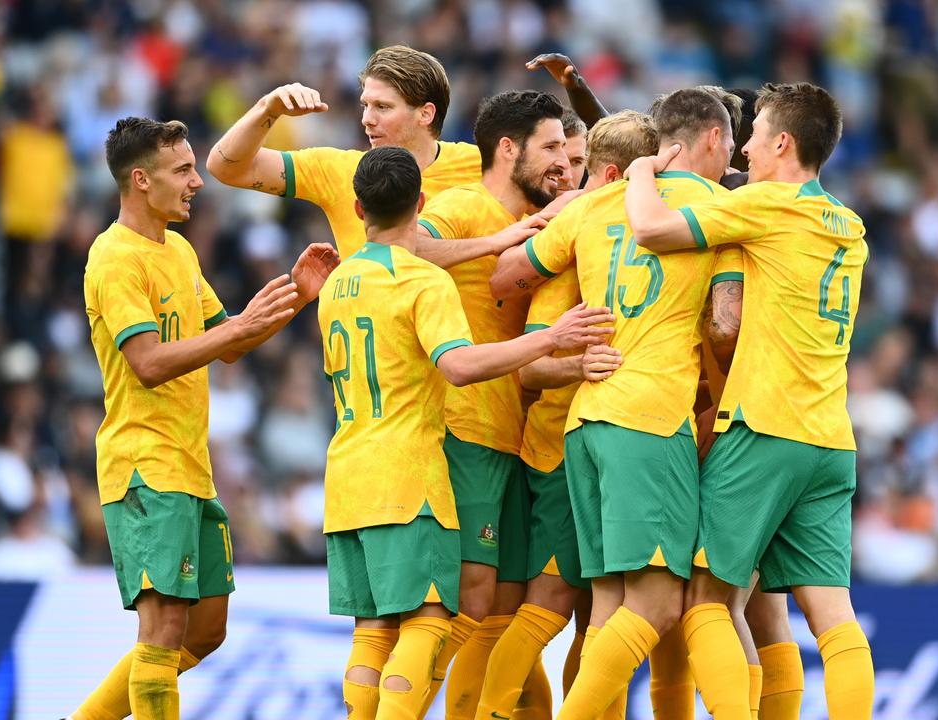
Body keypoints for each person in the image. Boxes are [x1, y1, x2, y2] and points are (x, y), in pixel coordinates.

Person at [320, 145, 613, 719]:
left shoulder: (337, 282)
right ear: (421, 202)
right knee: (431, 619)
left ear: (357, 209)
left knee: (374, 629)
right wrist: (548, 339)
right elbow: (457, 365)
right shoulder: (424, 281)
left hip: (347, 473)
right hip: (408, 474)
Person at [489, 88, 747, 720]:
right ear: (713, 139)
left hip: (587, 421)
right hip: (653, 421)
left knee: (607, 607)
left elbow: (503, 276)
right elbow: (724, 325)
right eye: (731, 143)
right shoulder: (720, 209)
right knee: (662, 605)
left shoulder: (592, 206)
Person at [69, 117, 338, 720]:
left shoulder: (181, 251)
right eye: (183, 171)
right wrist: (238, 328)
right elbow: (146, 363)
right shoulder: (113, 258)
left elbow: (227, 342)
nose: (197, 181)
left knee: (204, 630)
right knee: (162, 629)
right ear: (141, 180)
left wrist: (295, 296)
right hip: (144, 466)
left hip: (190, 466)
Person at [623, 81, 876, 719]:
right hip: (829, 440)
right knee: (832, 614)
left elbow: (651, 227)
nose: (744, 152)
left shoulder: (767, 207)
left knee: (708, 600)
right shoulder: (849, 225)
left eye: (755, 135)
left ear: (783, 142)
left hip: (763, 427)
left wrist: (638, 169)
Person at [474, 109, 658, 720]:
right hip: (559, 452)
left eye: (579, 163)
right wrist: (581, 366)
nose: (567, 176)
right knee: (548, 603)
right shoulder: (568, 252)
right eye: (563, 161)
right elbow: (529, 364)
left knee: (596, 615)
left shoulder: (629, 241)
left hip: (600, 451)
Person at [412, 89, 570, 719]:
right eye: (551, 147)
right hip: (464, 427)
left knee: (504, 610)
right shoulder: (462, 205)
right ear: (509, 149)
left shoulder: (549, 221)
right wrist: (496, 240)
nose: (562, 161)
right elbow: (406, 250)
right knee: (470, 599)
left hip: (516, 435)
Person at [207, 45, 539, 268]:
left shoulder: (484, 165)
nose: (367, 118)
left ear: (425, 114)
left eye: (382, 107)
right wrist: (268, 108)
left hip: (465, 368)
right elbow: (226, 167)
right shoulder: (337, 169)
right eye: (365, 105)